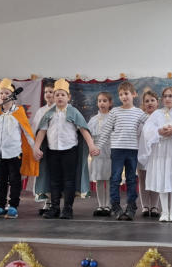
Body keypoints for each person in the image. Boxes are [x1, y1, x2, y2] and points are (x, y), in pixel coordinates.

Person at [33, 78, 99, 219]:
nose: (59, 97)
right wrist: (36, 147)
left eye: (62, 95)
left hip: (70, 152)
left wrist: (91, 146)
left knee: (69, 180)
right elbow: (42, 131)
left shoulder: (74, 112)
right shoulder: (49, 113)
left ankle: (68, 209)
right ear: (53, 97)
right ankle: (54, 207)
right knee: (54, 180)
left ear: (68, 97)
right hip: (53, 152)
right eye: (57, 94)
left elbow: (83, 130)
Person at [139, 87, 172, 223]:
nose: (167, 98)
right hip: (161, 151)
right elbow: (147, 130)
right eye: (165, 96)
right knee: (162, 179)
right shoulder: (157, 114)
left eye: (170, 96)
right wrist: (159, 131)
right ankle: (164, 211)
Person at [0, 79, 38, 219]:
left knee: (15, 180)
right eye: (1, 93)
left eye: (6, 93)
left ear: (13, 95)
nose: (3, 95)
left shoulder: (18, 111)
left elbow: (27, 131)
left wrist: (35, 148)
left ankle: (13, 206)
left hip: (14, 153)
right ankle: (0, 206)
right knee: (0, 181)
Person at [96, 81, 148, 221]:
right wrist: (98, 147)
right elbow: (106, 130)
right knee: (115, 178)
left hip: (132, 150)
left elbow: (151, 124)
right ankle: (115, 206)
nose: (124, 97)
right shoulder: (115, 112)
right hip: (117, 150)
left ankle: (131, 206)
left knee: (131, 179)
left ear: (134, 94)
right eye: (121, 94)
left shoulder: (139, 112)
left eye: (126, 93)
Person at [31, 80, 55, 214]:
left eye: (51, 92)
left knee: (55, 174)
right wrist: (36, 146)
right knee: (45, 174)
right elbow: (35, 129)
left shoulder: (60, 109)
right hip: (44, 146)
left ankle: (55, 202)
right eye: (46, 92)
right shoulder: (41, 111)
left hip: (56, 146)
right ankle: (47, 202)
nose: (48, 94)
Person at [88, 92, 112, 216]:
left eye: (104, 101)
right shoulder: (93, 120)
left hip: (109, 152)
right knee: (99, 179)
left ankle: (108, 205)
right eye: (99, 101)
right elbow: (89, 136)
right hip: (97, 152)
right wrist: (91, 148)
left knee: (108, 179)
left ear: (110, 103)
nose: (102, 103)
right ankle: (100, 205)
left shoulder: (113, 118)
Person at [138, 90, 160, 217]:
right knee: (143, 179)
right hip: (142, 152)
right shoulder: (140, 118)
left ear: (157, 103)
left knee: (156, 178)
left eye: (152, 100)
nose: (150, 103)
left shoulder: (161, 117)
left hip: (156, 152)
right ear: (143, 104)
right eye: (147, 101)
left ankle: (155, 206)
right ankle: (145, 206)